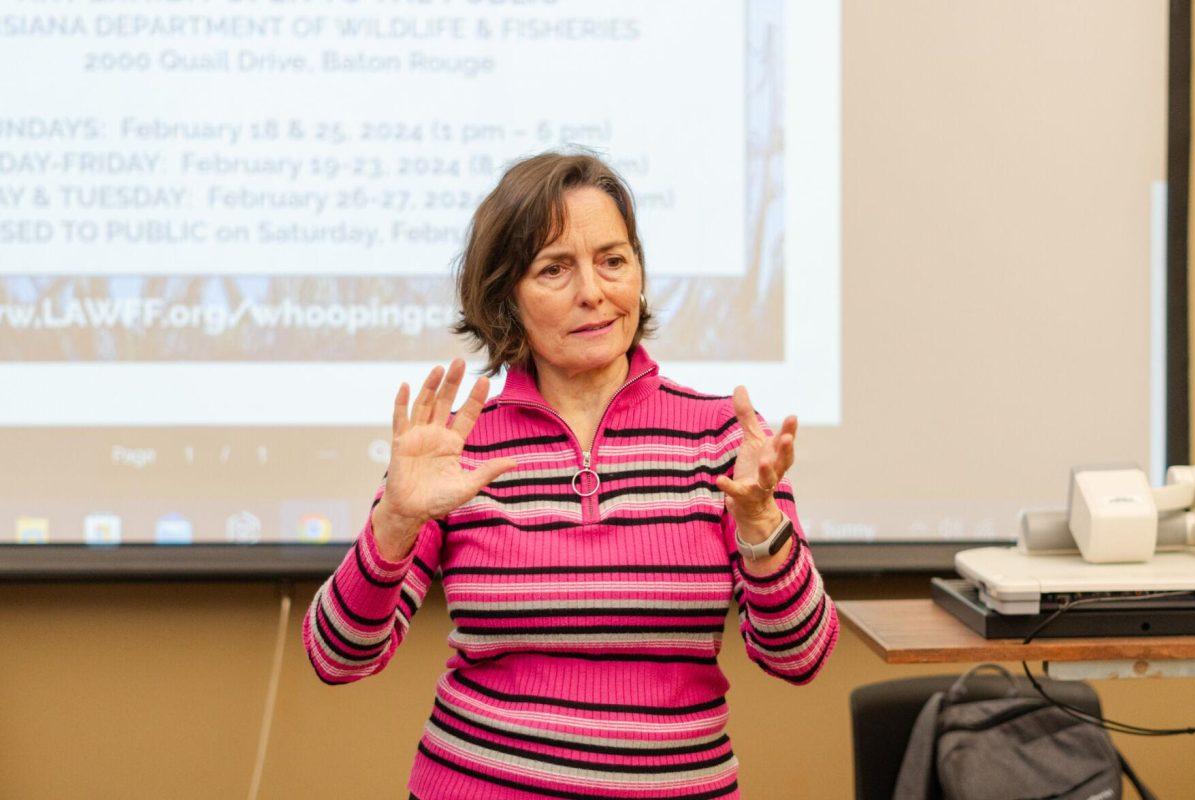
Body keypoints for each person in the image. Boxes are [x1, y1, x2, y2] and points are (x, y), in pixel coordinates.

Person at [303, 152, 839, 799]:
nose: (593, 291)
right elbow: (337, 658)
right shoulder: (458, 448)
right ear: (505, 297)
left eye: (613, 260)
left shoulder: (723, 436)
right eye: (554, 268)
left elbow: (801, 658)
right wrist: (394, 521)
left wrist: (760, 526)